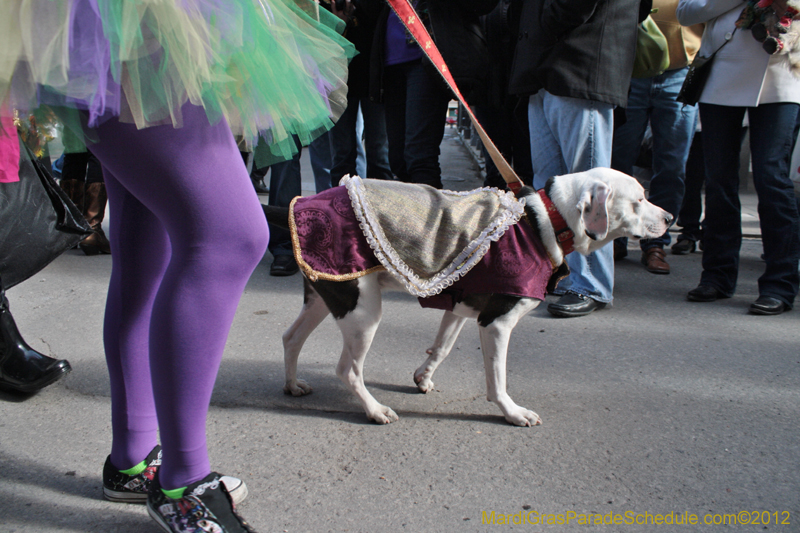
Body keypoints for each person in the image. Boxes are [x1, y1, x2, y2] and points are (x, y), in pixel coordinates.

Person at [1, 2, 354, 532]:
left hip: (128, 21)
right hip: (140, 20)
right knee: (229, 236)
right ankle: (183, 484)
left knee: (147, 247)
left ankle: (133, 459)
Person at [508, 0, 647, 318]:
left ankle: (592, 284)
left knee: (591, 186)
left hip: (581, 65)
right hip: (545, 70)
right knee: (551, 188)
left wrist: (541, 24)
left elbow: (574, 7)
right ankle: (560, 274)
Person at [677, 0, 800, 315]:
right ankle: (717, 276)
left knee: (771, 178)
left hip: (783, 73)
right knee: (719, 180)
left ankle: (779, 284)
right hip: (721, 74)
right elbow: (686, 12)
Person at [611, 0, 704, 275]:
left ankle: (656, 242)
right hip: (632, 70)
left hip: (684, 73)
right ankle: (616, 236)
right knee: (618, 160)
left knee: (672, 164)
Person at [369, 0, 499, 189]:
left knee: (419, 156)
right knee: (398, 160)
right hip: (390, 62)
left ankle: (431, 216)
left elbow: (484, 6)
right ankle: (411, 215)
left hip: (428, 60)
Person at [328, 0, 393, 185]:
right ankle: (342, 209)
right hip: (339, 76)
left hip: (375, 74)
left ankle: (380, 211)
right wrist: (339, 21)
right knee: (342, 155)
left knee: (379, 154)